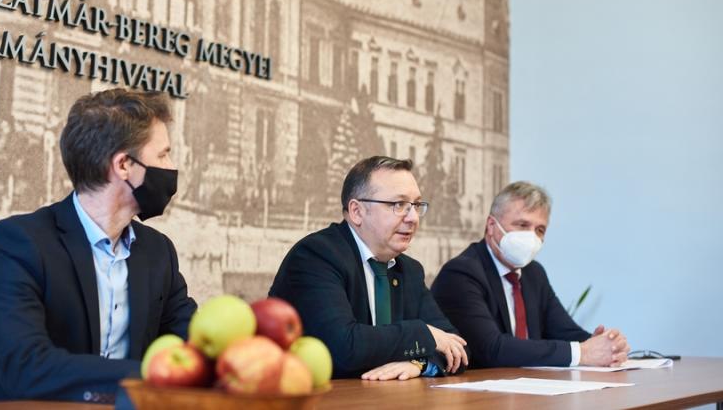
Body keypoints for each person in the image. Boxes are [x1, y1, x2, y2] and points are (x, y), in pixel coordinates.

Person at [0, 89, 197, 403]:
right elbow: (26, 367)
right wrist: (153, 377)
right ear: (123, 165)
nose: (171, 167)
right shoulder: (18, 243)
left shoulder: (159, 252)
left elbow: (193, 346)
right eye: (163, 155)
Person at [270, 156, 468, 381]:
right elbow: (344, 347)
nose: (413, 218)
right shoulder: (317, 255)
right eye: (399, 205)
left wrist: (419, 364)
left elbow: (457, 347)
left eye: (416, 205)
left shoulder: (409, 270)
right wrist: (424, 334)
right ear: (357, 211)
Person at [431, 181, 629, 368]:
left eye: (540, 230)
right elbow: (492, 348)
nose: (531, 237)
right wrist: (582, 353)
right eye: (522, 225)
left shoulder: (534, 273)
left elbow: (565, 331)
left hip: (527, 384)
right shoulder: (461, 273)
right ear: (491, 226)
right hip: (474, 388)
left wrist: (604, 345)